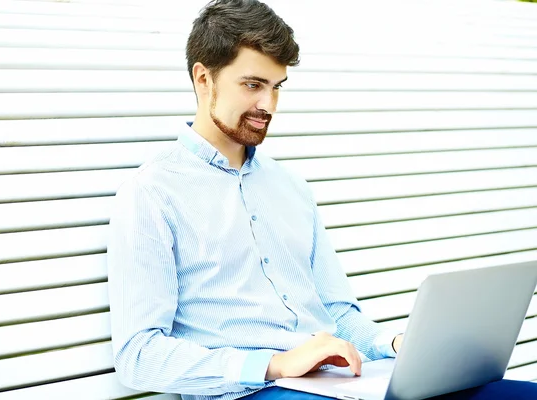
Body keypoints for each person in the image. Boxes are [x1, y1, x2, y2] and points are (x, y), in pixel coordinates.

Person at [107, 1, 537, 399]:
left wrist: (396, 345)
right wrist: (273, 365)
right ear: (204, 78)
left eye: (277, 87)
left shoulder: (290, 186)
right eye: (253, 84)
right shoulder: (152, 194)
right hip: (250, 392)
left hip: (336, 385)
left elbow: (336, 312)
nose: (267, 104)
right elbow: (138, 356)